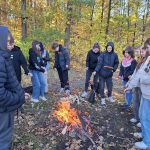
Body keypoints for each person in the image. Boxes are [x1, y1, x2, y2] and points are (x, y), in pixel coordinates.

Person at [0, 25, 25, 150]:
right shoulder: (0, 59)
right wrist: (17, 97)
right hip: (3, 110)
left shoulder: (4, 56)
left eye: (12, 41)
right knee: (3, 139)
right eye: (8, 41)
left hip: (6, 107)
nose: (11, 45)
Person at [125, 45, 150, 149]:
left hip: (148, 94)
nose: (144, 50)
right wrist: (130, 85)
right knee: (142, 115)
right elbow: (139, 74)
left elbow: (143, 77)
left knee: (145, 118)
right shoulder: (146, 60)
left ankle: (147, 142)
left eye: (147, 48)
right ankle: (145, 135)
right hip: (146, 93)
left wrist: (141, 80)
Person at [94, 41, 119, 106]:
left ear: (112, 48)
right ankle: (102, 98)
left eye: (110, 48)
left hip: (109, 74)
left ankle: (110, 96)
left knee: (110, 87)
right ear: (106, 48)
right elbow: (99, 63)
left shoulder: (115, 55)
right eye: (108, 48)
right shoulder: (103, 54)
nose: (109, 49)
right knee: (101, 87)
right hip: (102, 74)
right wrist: (96, 70)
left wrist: (114, 69)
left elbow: (116, 63)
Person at [129, 46, 142, 126]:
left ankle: (141, 120)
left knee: (141, 104)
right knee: (135, 102)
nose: (137, 53)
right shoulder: (139, 60)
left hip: (141, 86)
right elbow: (135, 72)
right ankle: (136, 117)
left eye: (138, 51)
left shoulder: (147, 60)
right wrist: (130, 83)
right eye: (136, 52)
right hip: (135, 85)